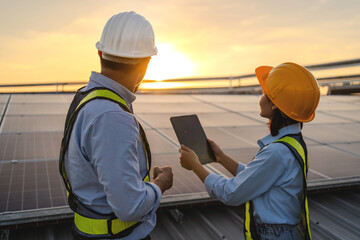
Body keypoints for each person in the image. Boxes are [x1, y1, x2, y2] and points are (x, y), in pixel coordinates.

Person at [59, 11, 173, 240]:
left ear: (100, 52)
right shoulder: (111, 115)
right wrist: (161, 183)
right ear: (146, 62)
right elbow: (130, 207)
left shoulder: (88, 98)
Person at [179, 62, 320, 240]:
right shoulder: (293, 143)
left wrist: (195, 166)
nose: (260, 97)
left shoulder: (276, 152)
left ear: (275, 104)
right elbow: (258, 177)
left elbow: (231, 193)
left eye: (264, 93)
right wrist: (221, 158)